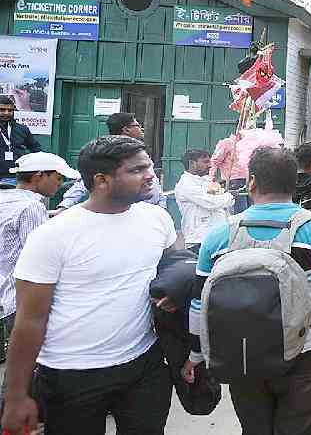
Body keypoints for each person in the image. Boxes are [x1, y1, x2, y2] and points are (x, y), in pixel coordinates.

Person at [182, 147, 311, 434]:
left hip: (242, 356)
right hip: (306, 355)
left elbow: (198, 304)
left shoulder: (220, 235)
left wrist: (196, 352)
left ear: (251, 182)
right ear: (294, 182)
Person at [2, 136, 178, 435]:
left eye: (149, 165)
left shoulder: (157, 219)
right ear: (102, 180)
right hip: (71, 375)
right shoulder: (53, 235)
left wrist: (173, 299)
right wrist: (16, 396)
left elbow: (175, 271)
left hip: (144, 366)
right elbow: (29, 320)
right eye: (136, 170)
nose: (150, 175)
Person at [0, 153, 78, 362]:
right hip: (21, 299)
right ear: (39, 176)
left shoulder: (6, 198)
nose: (60, 185)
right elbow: (40, 256)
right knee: (27, 362)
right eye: (58, 178)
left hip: (6, 295)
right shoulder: (32, 206)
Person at [57, 112, 167, 211]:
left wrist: (161, 205)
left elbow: (154, 183)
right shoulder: (108, 154)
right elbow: (82, 184)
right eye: (138, 126)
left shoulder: (140, 152)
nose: (141, 129)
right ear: (126, 129)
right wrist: (64, 206)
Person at [174, 149, 234, 254]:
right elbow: (211, 203)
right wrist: (229, 196)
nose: (210, 165)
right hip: (199, 239)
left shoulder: (206, 181)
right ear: (192, 164)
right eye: (205, 162)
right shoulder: (185, 184)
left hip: (218, 237)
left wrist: (226, 198)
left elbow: (224, 203)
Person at [0, 97, 42, 186]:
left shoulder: (22, 129)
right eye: (2, 110)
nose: (6, 113)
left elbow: (36, 149)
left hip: (17, 178)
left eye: (10, 110)